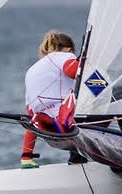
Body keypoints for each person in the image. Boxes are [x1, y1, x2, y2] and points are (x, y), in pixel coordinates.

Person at [21, 31, 79, 168]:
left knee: (36, 116)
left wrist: (27, 154)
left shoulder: (32, 70)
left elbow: (30, 113)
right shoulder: (65, 56)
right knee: (119, 93)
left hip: (46, 127)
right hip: (66, 122)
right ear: (69, 49)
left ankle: (26, 159)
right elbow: (72, 72)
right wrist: (86, 63)